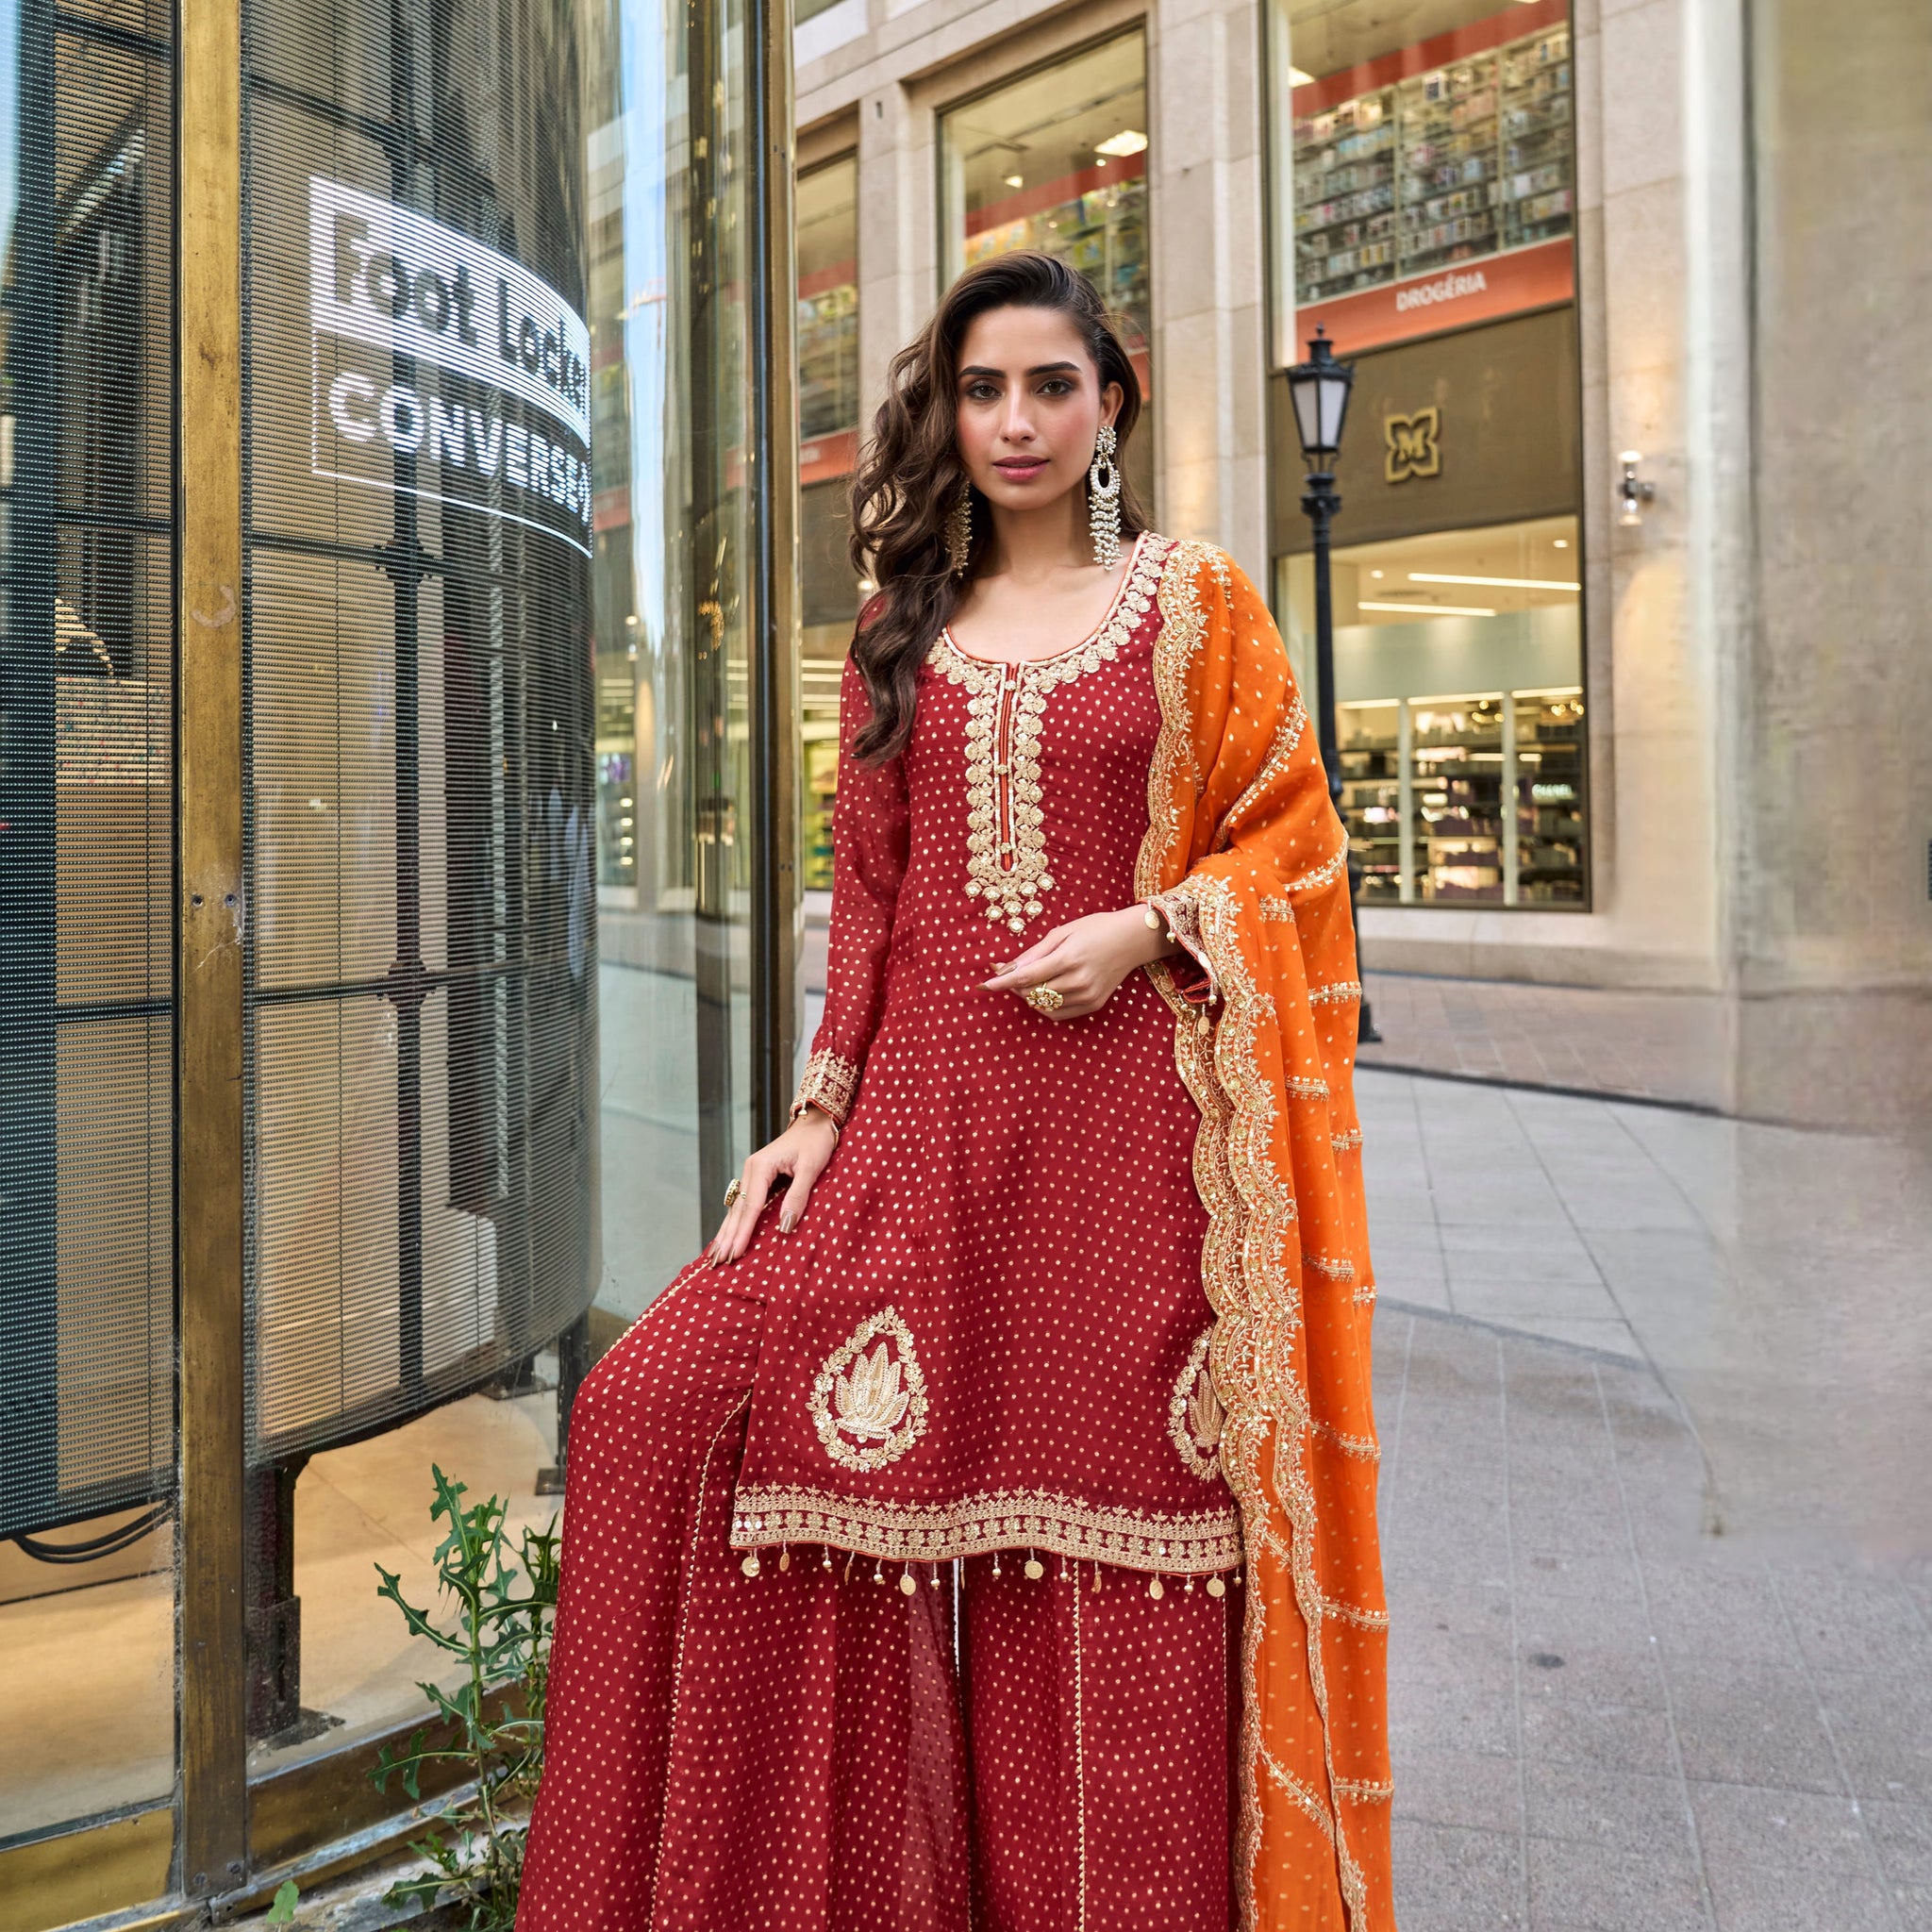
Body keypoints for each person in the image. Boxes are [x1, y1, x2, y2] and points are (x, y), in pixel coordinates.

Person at [516, 250, 1392, 1932]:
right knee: (655, 1419)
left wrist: (1151, 927)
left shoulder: (1199, 607)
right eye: (982, 388)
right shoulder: (897, 630)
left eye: (1052, 384)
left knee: (1104, 1554)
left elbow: (1296, 847)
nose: (1015, 421)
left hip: (1134, 1155)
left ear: (1110, 402)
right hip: (919, 1142)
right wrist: (815, 1113)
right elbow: (875, 893)